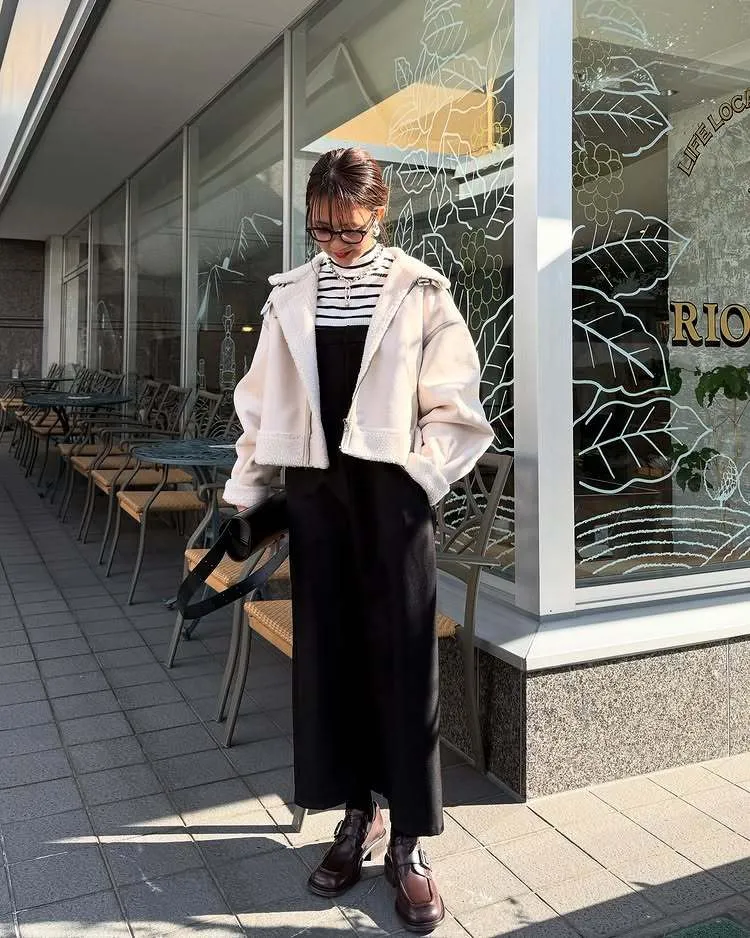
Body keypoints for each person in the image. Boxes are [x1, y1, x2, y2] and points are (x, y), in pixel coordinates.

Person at [224, 147, 494, 934]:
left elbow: (457, 406)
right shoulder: (288, 295)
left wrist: (418, 478)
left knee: (404, 665)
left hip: (392, 499)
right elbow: (260, 409)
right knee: (331, 661)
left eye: (351, 228)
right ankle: (356, 816)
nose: (337, 243)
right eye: (322, 229)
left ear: (381, 213)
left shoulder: (420, 289)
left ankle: (408, 840)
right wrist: (245, 498)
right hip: (315, 497)